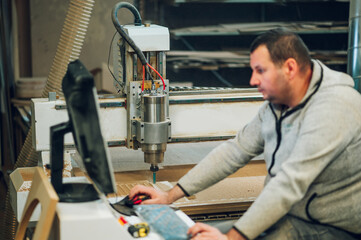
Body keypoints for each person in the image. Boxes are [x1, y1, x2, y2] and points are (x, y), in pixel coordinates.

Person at [130, 29, 361, 239]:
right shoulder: (278, 105)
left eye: (261, 71)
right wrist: (169, 196)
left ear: (290, 68)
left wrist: (231, 238)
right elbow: (235, 151)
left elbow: (290, 183)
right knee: (190, 235)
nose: (253, 80)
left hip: (333, 229)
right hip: (289, 216)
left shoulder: (335, 106)